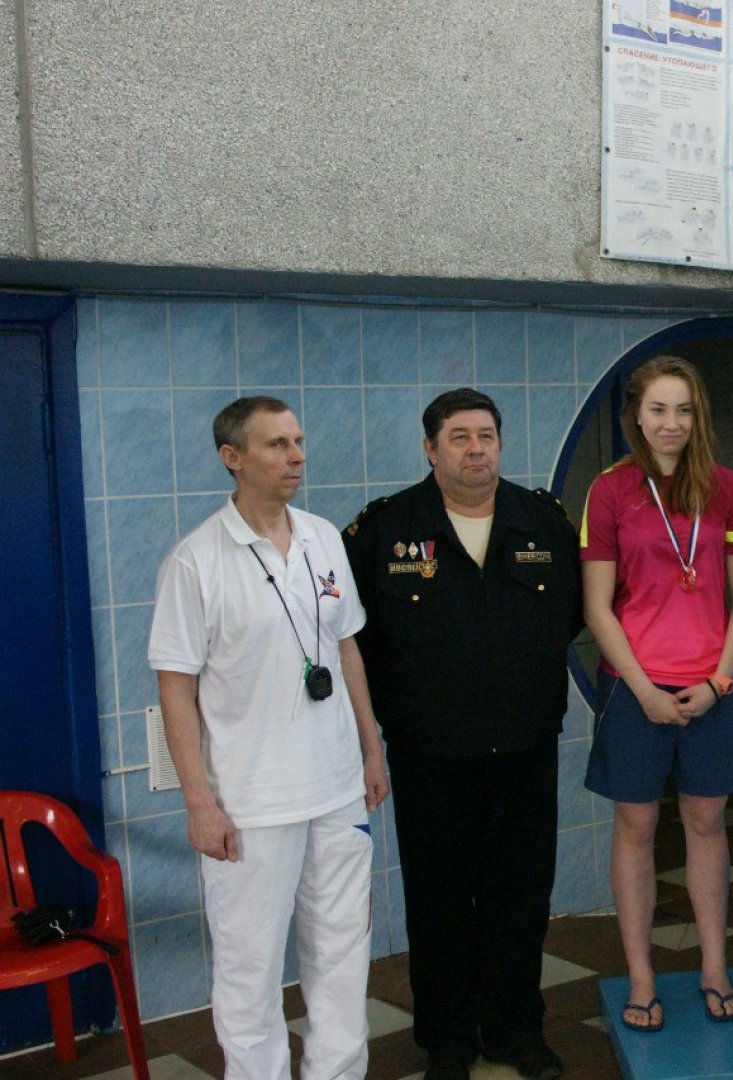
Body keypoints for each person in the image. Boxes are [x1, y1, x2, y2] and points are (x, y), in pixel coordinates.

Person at [342, 389, 581, 1080]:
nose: (476, 449)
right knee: (438, 901)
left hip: (525, 747)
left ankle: (515, 1031)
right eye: (459, 437)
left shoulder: (543, 521)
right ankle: (446, 1040)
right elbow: (355, 639)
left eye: (486, 436)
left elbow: (570, 615)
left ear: (500, 444)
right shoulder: (386, 531)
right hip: (430, 753)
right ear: (430, 448)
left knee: (521, 898)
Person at [149, 396, 389, 1080]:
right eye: (277, 445)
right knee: (249, 969)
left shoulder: (322, 538)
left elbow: (346, 649)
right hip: (251, 802)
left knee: (342, 952)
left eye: (298, 441)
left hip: (336, 788)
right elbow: (176, 690)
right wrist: (200, 804)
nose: (297, 456)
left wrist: (371, 749)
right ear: (233, 458)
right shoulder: (196, 561)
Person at [580, 356, 733, 1032]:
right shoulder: (610, 491)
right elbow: (598, 607)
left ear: (698, 417)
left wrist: (719, 682)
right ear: (636, 415)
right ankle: (642, 977)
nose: (671, 423)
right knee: (636, 827)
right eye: (658, 409)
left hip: (712, 685)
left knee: (707, 823)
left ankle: (714, 966)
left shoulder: (727, 488)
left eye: (683, 410)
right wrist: (642, 689)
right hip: (634, 688)